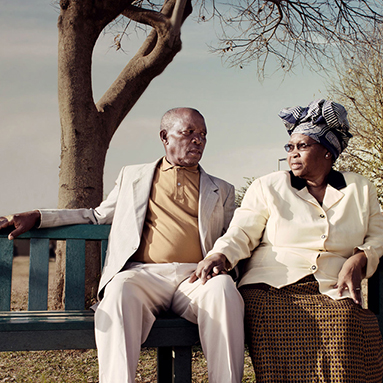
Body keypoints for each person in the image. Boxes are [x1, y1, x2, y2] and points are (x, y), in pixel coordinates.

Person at [0, 107, 245, 383]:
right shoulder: (134, 176)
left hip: (195, 277)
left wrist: (222, 259)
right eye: (189, 132)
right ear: (165, 137)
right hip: (143, 276)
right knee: (118, 292)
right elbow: (96, 215)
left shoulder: (222, 189)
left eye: (203, 135)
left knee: (224, 289)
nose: (198, 140)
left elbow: (231, 234)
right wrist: (39, 216)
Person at [194, 99, 383, 382]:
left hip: (331, 287)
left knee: (346, 322)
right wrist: (220, 255)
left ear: (328, 152)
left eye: (303, 146)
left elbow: (378, 234)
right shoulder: (269, 186)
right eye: (290, 147)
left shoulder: (359, 188)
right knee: (285, 324)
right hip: (271, 286)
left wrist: (362, 256)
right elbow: (241, 232)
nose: (293, 154)